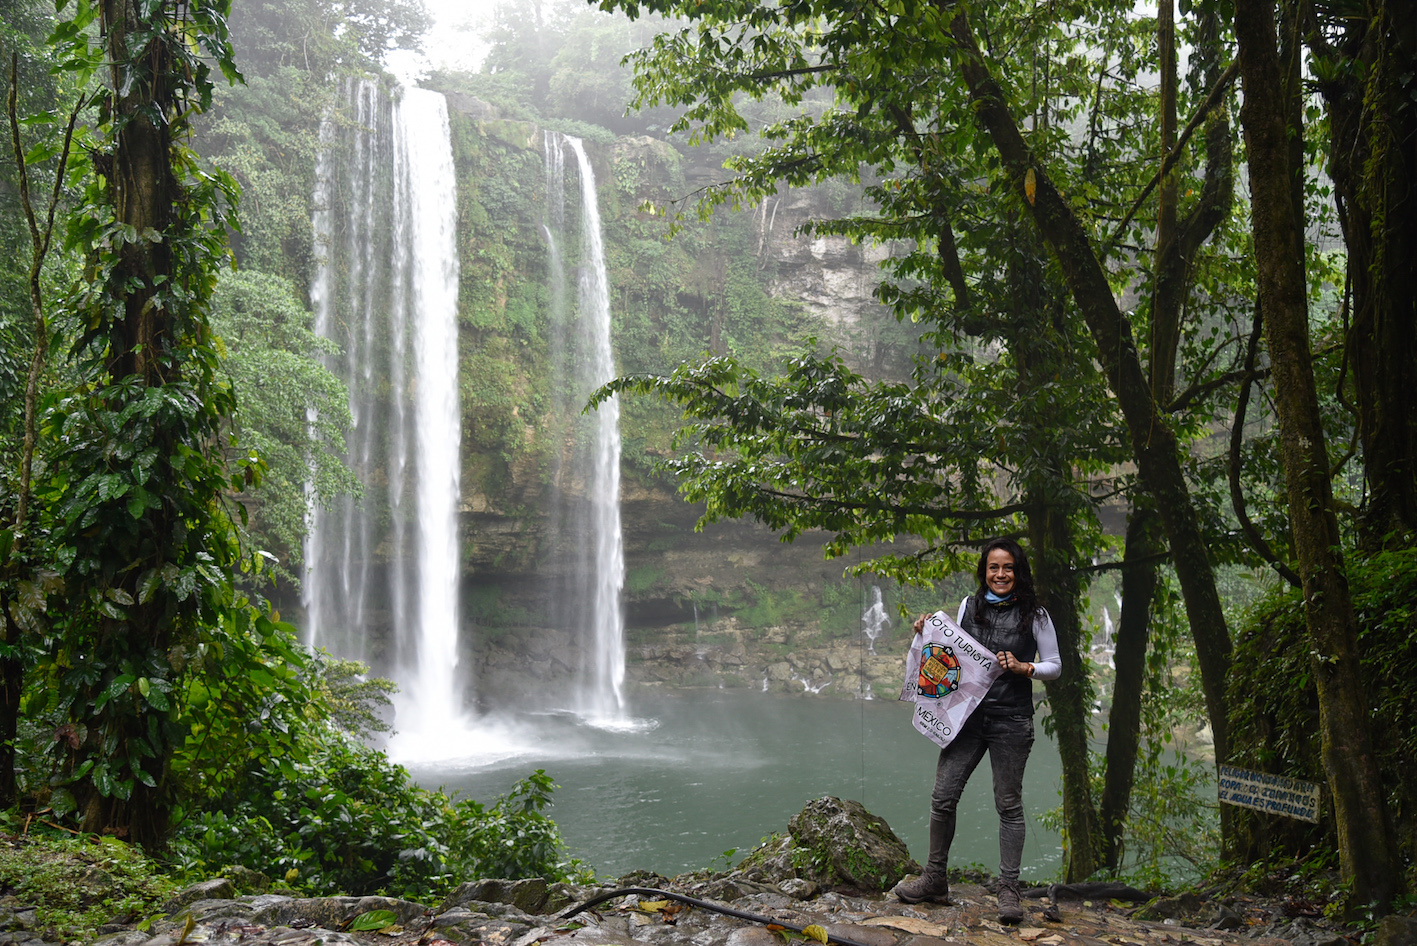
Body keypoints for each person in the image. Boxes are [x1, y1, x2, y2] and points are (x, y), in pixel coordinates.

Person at [893, 537, 1062, 923]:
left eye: (1008, 568)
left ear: (1018, 572)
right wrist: (926, 630)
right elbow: (954, 654)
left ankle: (1008, 891)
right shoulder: (969, 606)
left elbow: (1055, 664)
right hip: (965, 718)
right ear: (984, 571)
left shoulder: (1036, 615)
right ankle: (935, 878)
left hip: (1011, 720)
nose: (1000, 575)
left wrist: (1026, 667)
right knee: (943, 797)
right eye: (993, 568)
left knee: (1008, 805)